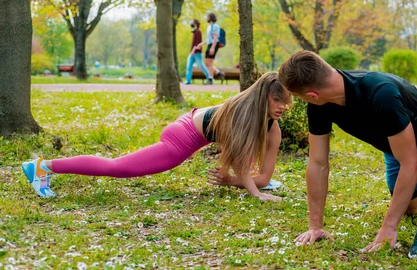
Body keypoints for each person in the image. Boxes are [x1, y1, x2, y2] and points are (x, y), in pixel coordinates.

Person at [278, 51, 417, 259]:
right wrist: (315, 226)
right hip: (398, 151)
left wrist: (389, 228)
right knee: (409, 208)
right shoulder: (319, 106)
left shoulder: (380, 92)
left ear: (312, 94)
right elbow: (318, 162)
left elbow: (411, 163)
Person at [22, 73, 291, 201]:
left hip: (191, 124)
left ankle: (45, 166)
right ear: (262, 96)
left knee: (119, 166)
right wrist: (255, 193)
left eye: (285, 102)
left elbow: (263, 177)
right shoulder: (244, 116)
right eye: (276, 100)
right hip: (181, 139)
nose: (281, 107)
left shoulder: (272, 128)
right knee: (119, 167)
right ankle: (43, 166)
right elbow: (244, 166)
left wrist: (235, 181)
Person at [184, 19, 210, 85]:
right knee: (188, 67)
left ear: (195, 24)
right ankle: (188, 81)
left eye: (192, 22)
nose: (191, 23)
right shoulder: (194, 32)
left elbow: (197, 43)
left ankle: (210, 78)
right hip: (192, 53)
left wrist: (193, 50)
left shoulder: (198, 32)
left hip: (197, 53)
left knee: (201, 66)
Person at [204, 12, 221, 85]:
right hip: (209, 44)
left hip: (213, 44)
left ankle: (210, 79)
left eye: (207, 16)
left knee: (210, 62)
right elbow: (208, 39)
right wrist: (201, 44)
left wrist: (212, 48)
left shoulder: (215, 26)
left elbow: (215, 37)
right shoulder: (209, 26)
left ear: (210, 17)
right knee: (207, 63)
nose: (206, 18)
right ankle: (218, 72)